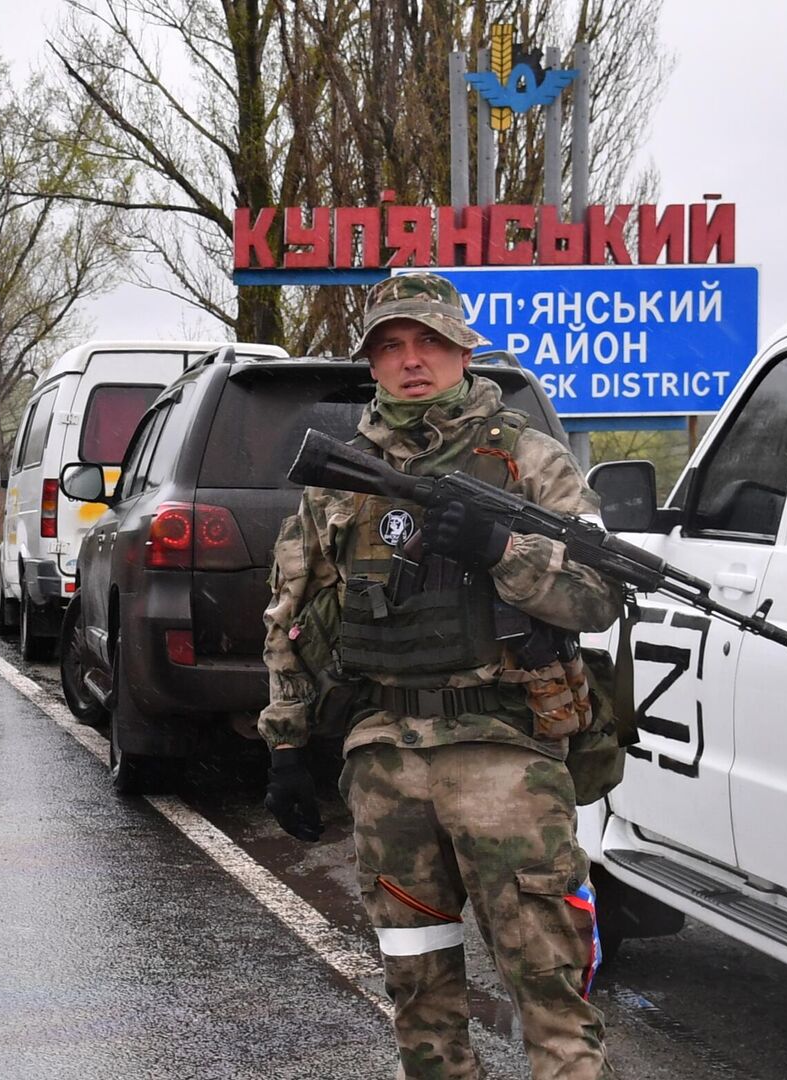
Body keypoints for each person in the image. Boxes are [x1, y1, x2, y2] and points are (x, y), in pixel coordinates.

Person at [259, 272, 623, 1080]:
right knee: (418, 989)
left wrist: (502, 550)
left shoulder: (531, 459)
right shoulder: (339, 478)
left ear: (463, 351)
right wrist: (284, 742)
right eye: (391, 346)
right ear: (373, 364)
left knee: (550, 986)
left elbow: (598, 595)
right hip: (385, 757)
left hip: (504, 753)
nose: (411, 361)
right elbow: (294, 613)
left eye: (428, 342)